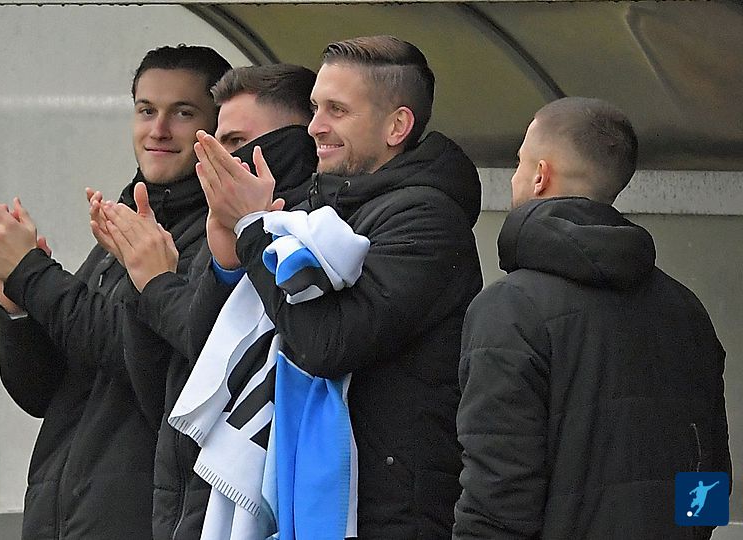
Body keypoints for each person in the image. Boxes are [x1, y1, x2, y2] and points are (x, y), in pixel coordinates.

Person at [191, 35, 483, 538]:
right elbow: (221, 353)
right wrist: (228, 255)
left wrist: (254, 230)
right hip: (313, 504)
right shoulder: (317, 209)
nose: (315, 127)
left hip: (387, 515)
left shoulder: (428, 219)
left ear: (397, 126)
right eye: (314, 108)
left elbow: (327, 344)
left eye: (337, 110)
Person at [0, 44, 231, 539]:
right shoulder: (123, 217)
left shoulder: (221, 237)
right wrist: (17, 309)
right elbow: (42, 391)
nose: (159, 129)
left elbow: (134, 352)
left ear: (217, 126)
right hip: (59, 518)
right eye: (146, 110)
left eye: (182, 113)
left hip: (138, 519)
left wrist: (31, 273)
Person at [453, 97, 732, 539]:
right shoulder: (686, 310)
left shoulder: (509, 309)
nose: (515, 177)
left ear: (541, 175)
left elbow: (497, 494)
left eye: (520, 163)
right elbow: (710, 477)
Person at [91, 63, 318, 539]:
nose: (216, 159)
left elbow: (214, 352)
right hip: (184, 507)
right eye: (144, 110)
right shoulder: (216, 228)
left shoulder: (311, 234)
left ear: (293, 144)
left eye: (235, 142)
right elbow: (167, 391)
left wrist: (154, 281)